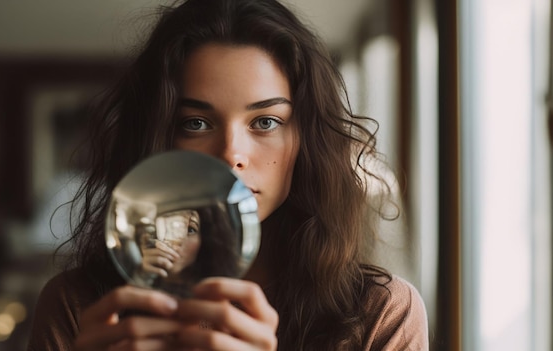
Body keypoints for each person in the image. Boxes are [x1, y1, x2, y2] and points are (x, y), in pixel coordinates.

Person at [27, 0, 429, 350]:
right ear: (157, 140)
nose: (231, 155)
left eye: (266, 122)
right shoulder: (79, 307)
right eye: (197, 123)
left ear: (306, 141)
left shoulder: (380, 314)